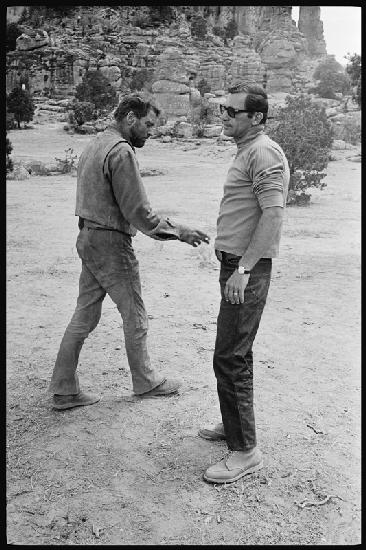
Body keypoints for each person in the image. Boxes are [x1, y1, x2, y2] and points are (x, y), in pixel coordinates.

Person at [49, 94, 209, 410]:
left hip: (89, 238)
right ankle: (146, 382)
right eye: (148, 124)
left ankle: (64, 390)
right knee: (134, 314)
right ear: (131, 119)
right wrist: (179, 231)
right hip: (110, 244)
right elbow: (139, 212)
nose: (151, 131)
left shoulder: (96, 143)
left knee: (84, 315)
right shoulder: (121, 152)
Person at [199, 82, 289, 483]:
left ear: (255, 117)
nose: (224, 116)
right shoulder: (248, 151)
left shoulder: (263, 152)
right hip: (237, 265)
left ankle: (245, 451)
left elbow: (273, 215)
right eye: (223, 109)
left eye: (231, 111)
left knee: (231, 356)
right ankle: (234, 426)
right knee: (236, 353)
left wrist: (245, 268)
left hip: (246, 269)